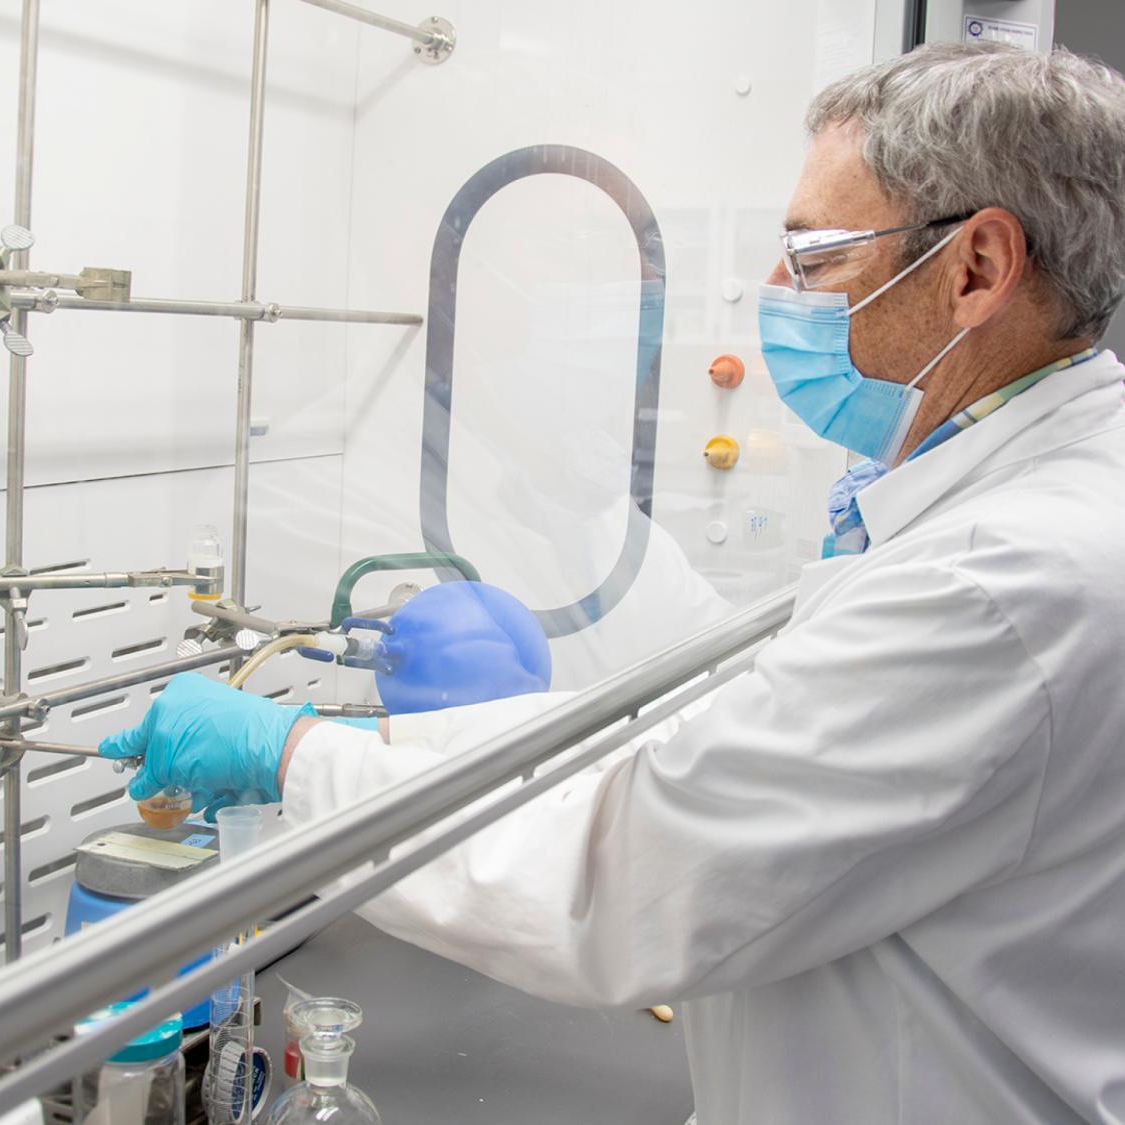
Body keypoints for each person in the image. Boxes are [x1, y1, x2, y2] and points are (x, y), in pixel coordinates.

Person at [102, 43, 1125, 1123]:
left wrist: (293, 760)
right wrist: (371, 739)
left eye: (815, 256)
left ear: (976, 268)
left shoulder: (1000, 582)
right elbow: (714, 728)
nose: (778, 291)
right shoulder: (1029, 503)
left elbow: (627, 879)